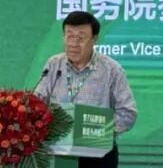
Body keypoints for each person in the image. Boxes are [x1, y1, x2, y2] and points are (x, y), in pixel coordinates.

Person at [35, 11, 137, 168]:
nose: (74, 43)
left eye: (81, 38)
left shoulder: (112, 70)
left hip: (98, 155)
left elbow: (128, 113)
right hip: (59, 153)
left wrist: (97, 131)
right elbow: (37, 102)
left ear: (94, 39)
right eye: (69, 36)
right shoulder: (54, 64)